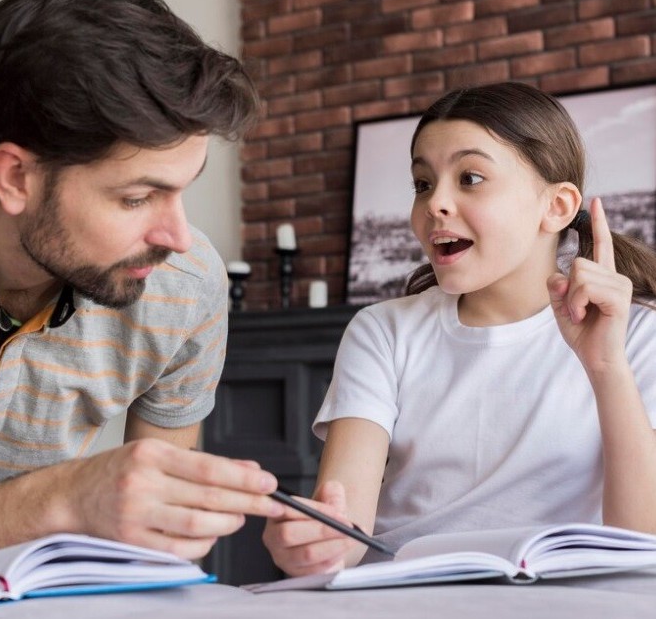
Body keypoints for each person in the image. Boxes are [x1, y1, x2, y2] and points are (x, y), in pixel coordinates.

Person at [0, 0, 287, 561]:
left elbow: (161, 554)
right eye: (135, 198)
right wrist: (57, 500)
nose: (177, 238)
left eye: (182, 190)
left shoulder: (185, 287)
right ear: (16, 178)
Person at [263, 81, 656, 576]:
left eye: (470, 178)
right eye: (422, 183)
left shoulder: (638, 336)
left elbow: (641, 545)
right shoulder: (383, 331)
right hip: (404, 598)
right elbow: (346, 536)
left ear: (556, 207)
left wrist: (606, 367)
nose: (435, 204)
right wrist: (309, 542)